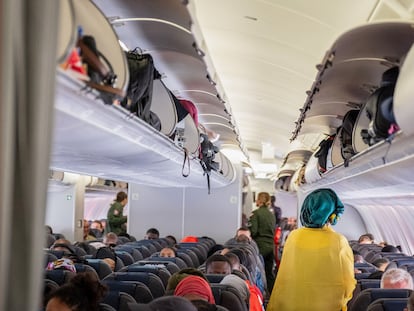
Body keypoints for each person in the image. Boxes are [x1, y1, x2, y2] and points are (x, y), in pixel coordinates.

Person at [267, 188, 356, 311]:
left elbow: (284, 275)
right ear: (331, 215)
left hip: (291, 305)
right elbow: (348, 284)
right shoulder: (339, 241)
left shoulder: (293, 237)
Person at [249, 191, 276, 293]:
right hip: (270, 246)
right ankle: (272, 295)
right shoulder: (271, 215)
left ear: (259, 200)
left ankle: (260, 295)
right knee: (269, 273)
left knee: (257, 273)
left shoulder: (256, 214)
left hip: (260, 246)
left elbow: (254, 231)